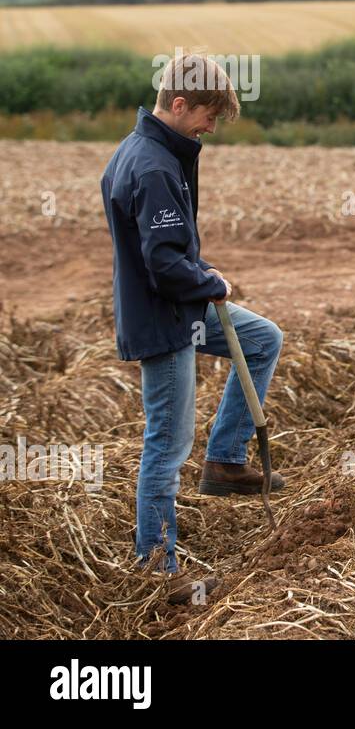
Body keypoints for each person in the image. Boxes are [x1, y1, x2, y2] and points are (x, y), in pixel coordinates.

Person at [101, 50, 285, 603]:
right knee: (166, 442)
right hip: (163, 320)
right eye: (207, 116)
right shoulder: (153, 165)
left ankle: (225, 462)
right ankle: (158, 572)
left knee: (261, 339)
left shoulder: (154, 150)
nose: (211, 127)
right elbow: (160, 263)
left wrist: (201, 271)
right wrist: (206, 283)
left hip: (180, 307)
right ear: (178, 104)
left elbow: (167, 250)